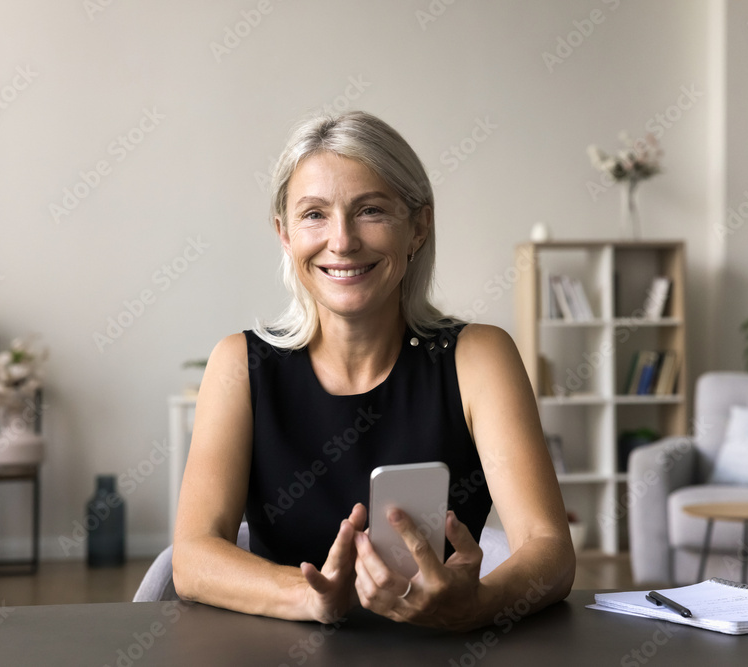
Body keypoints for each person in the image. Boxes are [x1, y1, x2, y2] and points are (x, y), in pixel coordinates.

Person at [173, 111, 574, 631]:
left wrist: (476, 604)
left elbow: (549, 549)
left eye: (370, 211)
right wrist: (313, 597)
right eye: (314, 214)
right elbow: (193, 558)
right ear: (285, 234)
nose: (342, 241)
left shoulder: (479, 357)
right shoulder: (240, 365)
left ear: (418, 228)